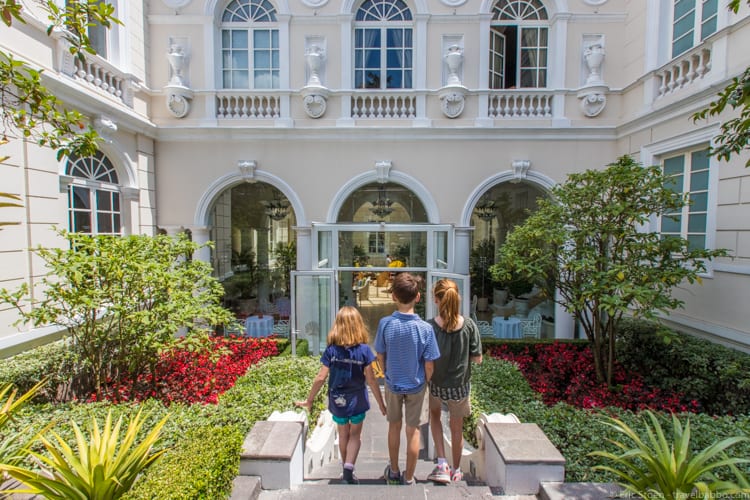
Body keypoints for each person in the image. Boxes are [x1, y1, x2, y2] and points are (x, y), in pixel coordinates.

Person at [295, 306, 387, 485]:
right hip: (358, 398)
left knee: (343, 435)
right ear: (358, 325)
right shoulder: (364, 351)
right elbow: (372, 380)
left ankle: (346, 469)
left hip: (337, 399)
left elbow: (321, 377)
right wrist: (381, 404)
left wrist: (310, 399)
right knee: (355, 436)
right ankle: (348, 469)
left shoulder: (331, 351)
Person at [374, 273, 440, 485]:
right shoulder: (426, 329)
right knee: (414, 431)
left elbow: (380, 355)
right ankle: (409, 477)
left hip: (393, 384)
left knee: (394, 426)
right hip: (417, 385)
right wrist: (425, 381)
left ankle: (393, 471)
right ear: (418, 297)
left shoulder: (385, 324)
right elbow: (429, 364)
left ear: (393, 296)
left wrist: (386, 374)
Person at [425, 279, 483, 484]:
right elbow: (477, 358)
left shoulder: (430, 326)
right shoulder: (468, 325)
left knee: (434, 417)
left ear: (437, 300)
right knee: (456, 428)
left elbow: (427, 359)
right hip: (459, 387)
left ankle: (442, 463)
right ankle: (456, 470)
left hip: (436, 385)